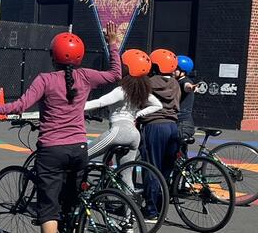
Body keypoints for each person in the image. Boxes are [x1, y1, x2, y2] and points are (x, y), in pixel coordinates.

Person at [0, 23, 122, 233]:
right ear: (79, 56)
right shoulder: (86, 76)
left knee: (49, 207)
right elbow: (115, 74)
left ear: (53, 55)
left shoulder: (45, 80)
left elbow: (21, 105)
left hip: (52, 149)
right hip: (79, 148)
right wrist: (113, 44)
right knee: (73, 204)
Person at [84, 48, 162, 186]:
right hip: (134, 135)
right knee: (126, 176)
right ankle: (129, 206)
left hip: (118, 132)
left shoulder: (121, 91)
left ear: (128, 69)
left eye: (122, 65)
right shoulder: (142, 91)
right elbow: (158, 105)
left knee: (82, 156)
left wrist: (73, 107)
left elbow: (100, 102)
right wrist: (137, 114)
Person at [139, 48, 182, 183]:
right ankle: (161, 200)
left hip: (154, 125)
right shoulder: (175, 83)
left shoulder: (148, 82)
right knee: (166, 168)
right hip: (173, 126)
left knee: (152, 166)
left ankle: (152, 203)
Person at [175, 54, 198, 141]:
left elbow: (187, 86)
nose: (173, 71)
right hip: (178, 122)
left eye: (176, 69)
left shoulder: (184, 81)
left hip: (183, 124)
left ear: (183, 72)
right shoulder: (175, 81)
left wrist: (191, 87)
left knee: (177, 151)